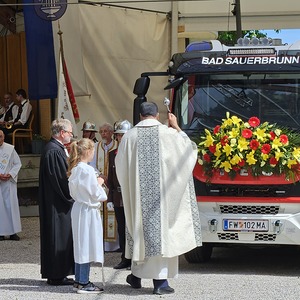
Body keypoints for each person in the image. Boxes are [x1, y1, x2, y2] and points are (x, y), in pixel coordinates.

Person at [115, 102, 202, 295]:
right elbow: (189, 151)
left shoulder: (129, 137)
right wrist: (177, 126)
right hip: (162, 200)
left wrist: (131, 187)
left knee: (140, 235)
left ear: (140, 116)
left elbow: (120, 166)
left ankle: (135, 277)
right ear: (156, 114)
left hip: (138, 198)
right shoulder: (169, 134)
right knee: (160, 234)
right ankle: (160, 283)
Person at [68, 138, 107, 294]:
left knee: (80, 244)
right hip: (88, 210)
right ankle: (84, 282)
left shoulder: (75, 168)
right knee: (87, 245)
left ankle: (79, 279)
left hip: (78, 208)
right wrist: (99, 182)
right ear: (89, 151)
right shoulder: (88, 170)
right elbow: (96, 193)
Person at [38, 118, 75, 286]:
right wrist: (73, 194)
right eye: (69, 133)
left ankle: (57, 273)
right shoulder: (54, 151)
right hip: (57, 204)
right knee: (58, 236)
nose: (71, 135)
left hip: (55, 202)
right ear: (62, 133)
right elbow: (61, 179)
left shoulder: (55, 149)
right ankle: (57, 274)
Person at [107, 120, 132, 269]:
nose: (120, 138)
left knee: (132, 228)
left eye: (123, 135)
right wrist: (110, 197)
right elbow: (110, 177)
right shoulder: (112, 154)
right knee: (121, 228)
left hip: (130, 196)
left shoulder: (133, 152)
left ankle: (134, 258)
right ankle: (124, 257)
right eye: (118, 135)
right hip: (117, 196)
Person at [90, 122, 119, 252]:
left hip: (113, 184)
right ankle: (102, 243)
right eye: (101, 131)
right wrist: (99, 174)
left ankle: (114, 245)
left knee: (114, 212)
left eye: (105, 131)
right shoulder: (96, 147)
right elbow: (90, 163)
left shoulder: (117, 146)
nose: (103, 134)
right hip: (101, 183)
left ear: (112, 133)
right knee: (101, 212)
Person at [0, 130, 22, 241]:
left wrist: (11, 174)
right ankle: (1, 233)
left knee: (11, 208)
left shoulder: (10, 149)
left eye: (1, 137)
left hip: (8, 183)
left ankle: (13, 232)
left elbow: (17, 163)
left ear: (4, 137)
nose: (0, 139)